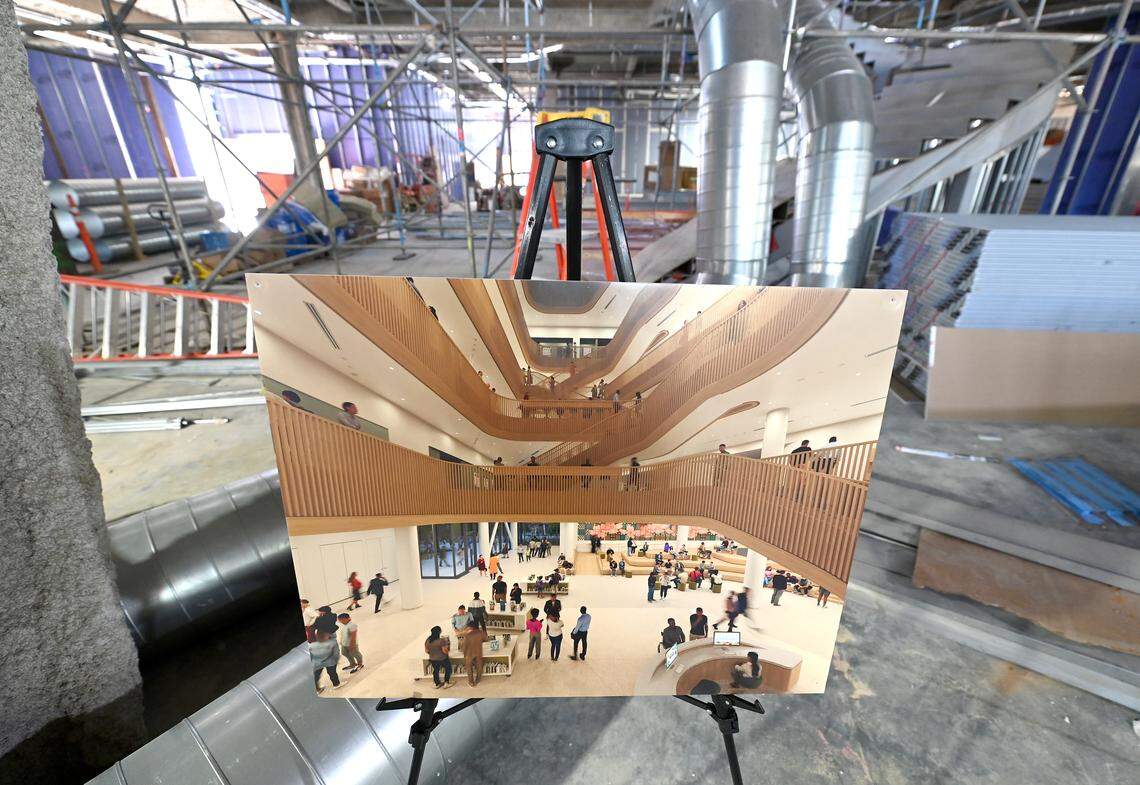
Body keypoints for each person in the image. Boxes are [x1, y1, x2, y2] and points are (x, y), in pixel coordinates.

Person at [461, 619, 488, 686]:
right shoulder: (481, 632)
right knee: (479, 666)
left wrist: (464, 653)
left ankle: (471, 682)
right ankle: (478, 679)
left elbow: (464, 646)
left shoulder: (467, 635)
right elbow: (486, 639)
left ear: (470, 627)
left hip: (469, 654)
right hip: (478, 652)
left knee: (469, 668)